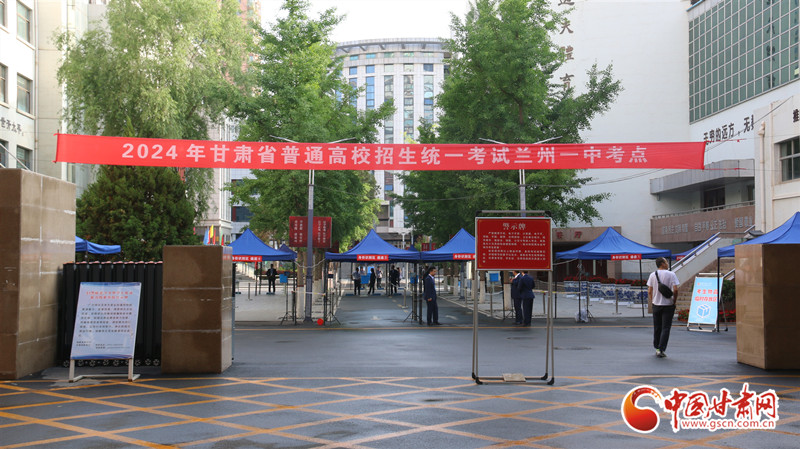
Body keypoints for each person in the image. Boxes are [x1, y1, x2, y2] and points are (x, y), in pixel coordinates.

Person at [647, 257, 679, 358]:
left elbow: (649, 291)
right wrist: (674, 300)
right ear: (662, 264)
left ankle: (657, 347)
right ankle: (661, 349)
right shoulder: (671, 274)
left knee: (657, 327)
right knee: (666, 328)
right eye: (666, 262)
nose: (668, 263)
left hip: (656, 305)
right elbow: (675, 289)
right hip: (668, 305)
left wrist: (653, 300)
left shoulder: (652, 275)